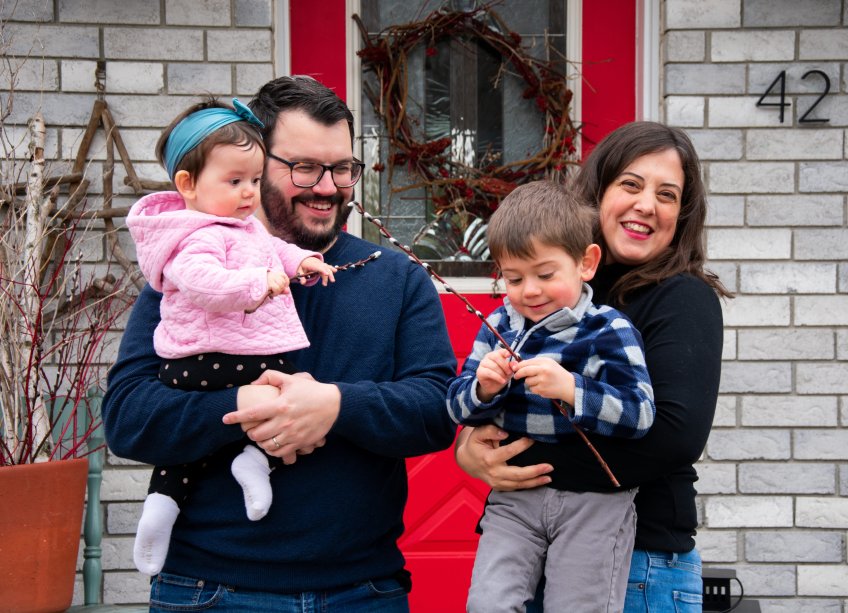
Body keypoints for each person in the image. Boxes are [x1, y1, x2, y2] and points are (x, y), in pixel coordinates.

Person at [103, 75, 457, 612]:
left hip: (362, 590)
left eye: (342, 168)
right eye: (304, 167)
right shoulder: (194, 268)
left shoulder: (397, 278)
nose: (328, 187)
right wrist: (241, 406)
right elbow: (129, 418)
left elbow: (437, 409)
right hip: (209, 590)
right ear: (255, 166)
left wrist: (335, 406)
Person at [455, 121, 732, 613]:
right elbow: (487, 401)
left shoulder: (681, 298)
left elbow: (672, 437)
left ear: (681, 214)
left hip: (641, 563)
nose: (647, 204)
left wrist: (519, 463)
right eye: (631, 184)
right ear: (597, 191)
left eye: (667, 194)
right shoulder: (552, 297)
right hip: (541, 548)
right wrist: (469, 452)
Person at [125, 97, 337, 576]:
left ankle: (191, 489)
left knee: (280, 393)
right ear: (188, 185)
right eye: (235, 181)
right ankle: (213, 480)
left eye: (255, 181)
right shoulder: (195, 234)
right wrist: (255, 286)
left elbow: (273, 248)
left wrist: (299, 262)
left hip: (227, 358)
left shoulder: (242, 227)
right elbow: (202, 282)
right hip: (204, 360)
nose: (249, 193)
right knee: (282, 388)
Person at [447, 180, 655, 612]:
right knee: (488, 604)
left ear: (586, 263)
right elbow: (456, 406)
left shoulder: (608, 329)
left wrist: (572, 389)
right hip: (514, 499)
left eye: (545, 274)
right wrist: (484, 388)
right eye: (514, 278)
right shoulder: (499, 326)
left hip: (593, 503)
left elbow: (640, 412)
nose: (530, 291)